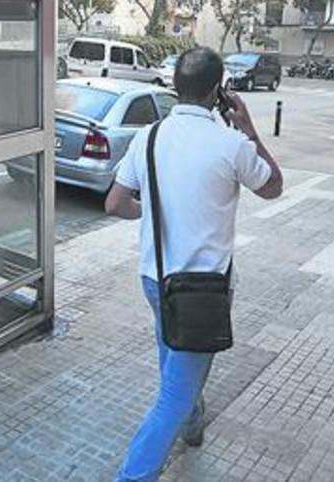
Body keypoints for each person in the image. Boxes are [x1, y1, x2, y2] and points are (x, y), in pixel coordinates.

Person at [105, 47, 284, 481]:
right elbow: (274, 186)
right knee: (173, 397)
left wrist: (151, 213)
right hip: (203, 291)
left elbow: (115, 203)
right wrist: (250, 129)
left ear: (175, 86)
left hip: (155, 279)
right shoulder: (232, 144)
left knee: (174, 353)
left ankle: (193, 422)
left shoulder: (148, 136)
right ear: (219, 92)